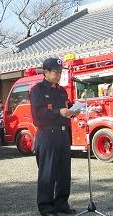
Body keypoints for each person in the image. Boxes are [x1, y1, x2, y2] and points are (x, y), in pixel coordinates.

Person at [30, 58, 78, 216]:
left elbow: (67, 107)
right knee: (48, 173)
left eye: (60, 72)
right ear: (46, 71)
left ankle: (61, 204)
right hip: (47, 134)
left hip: (63, 134)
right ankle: (46, 207)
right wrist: (58, 112)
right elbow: (38, 115)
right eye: (56, 72)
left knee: (64, 173)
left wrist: (74, 109)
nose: (58, 75)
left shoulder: (61, 90)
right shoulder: (38, 90)